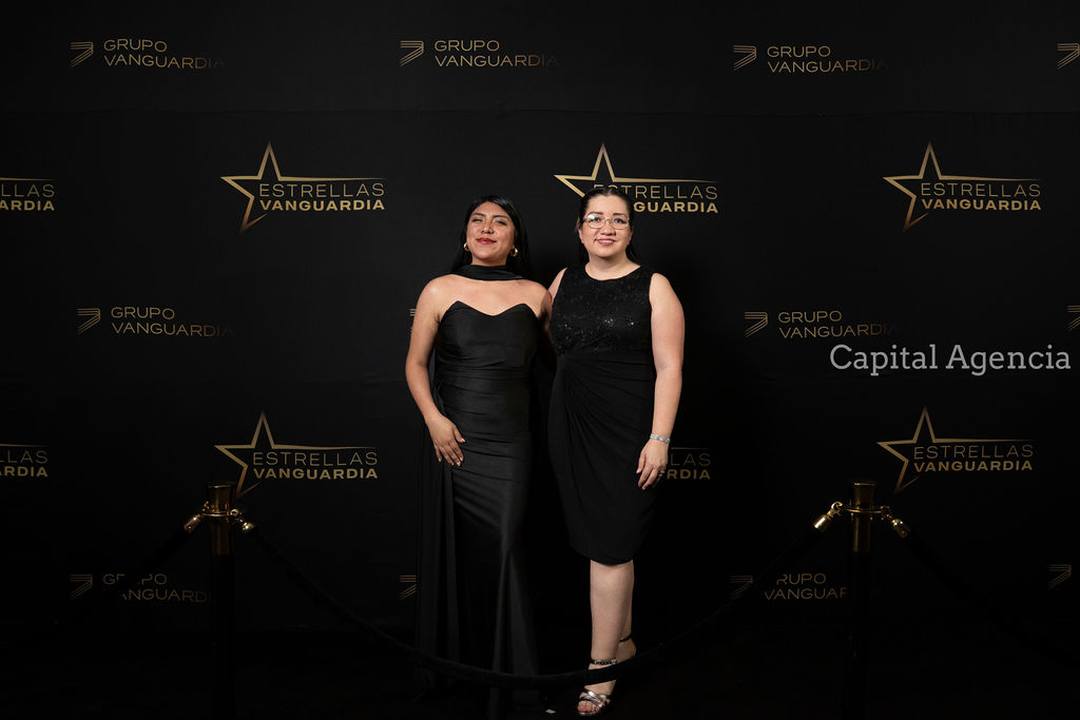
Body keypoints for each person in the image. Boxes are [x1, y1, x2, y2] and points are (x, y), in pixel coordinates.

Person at [405, 195, 550, 719]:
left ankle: (514, 685)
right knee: (460, 560)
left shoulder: (537, 294)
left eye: (500, 222)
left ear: (515, 241)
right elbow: (415, 364)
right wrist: (434, 419)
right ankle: (459, 675)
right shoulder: (439, 289)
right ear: (466, 236)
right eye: (477, 221)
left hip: (511, 445)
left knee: (506, 551)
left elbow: (568, 367)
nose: (487, 228)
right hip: (454, 442)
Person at [547, 186, 685, 716]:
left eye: (618, 219)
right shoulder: (562, 281)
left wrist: (659, 438)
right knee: (601, 544)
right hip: (571, 425)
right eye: (595, 218)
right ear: (580, 229)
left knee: (612, 543)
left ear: (631, 231)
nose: (606, 227)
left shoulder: (655, 285)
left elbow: (670, 369)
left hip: (629, 431)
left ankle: (601, 668)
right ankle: (623, 643)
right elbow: (548, 344)